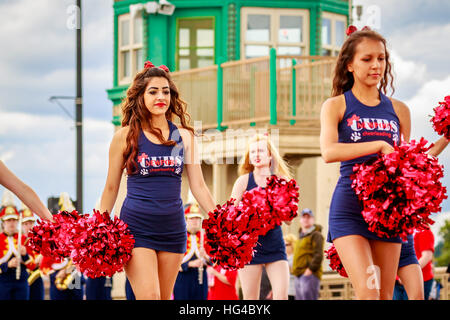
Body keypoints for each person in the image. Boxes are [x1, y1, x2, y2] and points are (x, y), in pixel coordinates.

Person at [99, 61, 216, 300]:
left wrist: (222, 221)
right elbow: (111, 188)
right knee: (149, 297)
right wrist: (99, 227)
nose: (160, 96)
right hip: (136, 228)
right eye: (153, 91)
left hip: (173, 228)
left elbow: (199, 186)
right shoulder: (124, 137)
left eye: (166, 91)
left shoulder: (184, 136)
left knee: (163, 298)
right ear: (140, 96)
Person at [320, 26, 411, 299]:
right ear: (350, 64)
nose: (376, 65)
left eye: (381, 58)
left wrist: (444, 138)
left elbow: (409, 163)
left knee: (384, 296)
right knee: (368, 292)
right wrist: (379, 145)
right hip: (349, 207)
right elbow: (328, 151)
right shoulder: (336, 105)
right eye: (367, 59)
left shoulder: (399, 109)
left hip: (388, 211)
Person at [230, 133, 292, 300]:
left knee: (281, 296)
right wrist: (247, 216)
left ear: (270, 155)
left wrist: (281, 208)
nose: (257, 155)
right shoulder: (243, 181)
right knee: (251, 300)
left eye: (261, 151)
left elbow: (289, 220)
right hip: (250, 249)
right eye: (253, 152)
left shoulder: (281, 181)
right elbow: (230, 216)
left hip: (275, 246)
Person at [393, 137, 448, 300]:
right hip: (397, 277)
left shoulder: (422, 228)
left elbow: (426, 256)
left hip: (420, 276)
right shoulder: (393, 219)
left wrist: (408, 273)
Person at [0, 193, 36, 300]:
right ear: (3, 222)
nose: (12, 223)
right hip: (3, 283)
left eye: (14, 220)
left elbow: (32, 266)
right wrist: (7, 265)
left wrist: (25, 255)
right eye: (8, 220)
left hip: (21, 282)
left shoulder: (24, 239)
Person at [173, 202, 208, 300]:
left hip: (200, 278)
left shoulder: (204, 237)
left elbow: (213, 261)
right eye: (192, 218)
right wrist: (190, 264)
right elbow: (172, 261)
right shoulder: (178, 237)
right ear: (185, 220)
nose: (195, 221)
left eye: (197, 218)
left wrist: (205, 256)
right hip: (183, 278)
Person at [292, 208, 324, 300]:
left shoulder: (316, 235)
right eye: (304, 217)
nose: (306, 219)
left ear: (313, 220)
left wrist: (310, 270)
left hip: (309, 274)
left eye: (308, 217)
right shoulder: (300, 237)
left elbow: (318, 255)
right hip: (298, 275)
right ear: (300, 220)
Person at [21, 205, 45, 300]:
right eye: (25, 224)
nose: (28, 226)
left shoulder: (40, 240)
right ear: (22, 225)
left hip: (36, 276)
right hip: (23, 276)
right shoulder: (18, 240)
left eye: (30, 223)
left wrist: (42, 256)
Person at [284, 233, 297, 300]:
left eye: (286, 245)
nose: (284, 247)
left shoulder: (296, 258)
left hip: (294, 291)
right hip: (285, 291)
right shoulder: (283, 258)